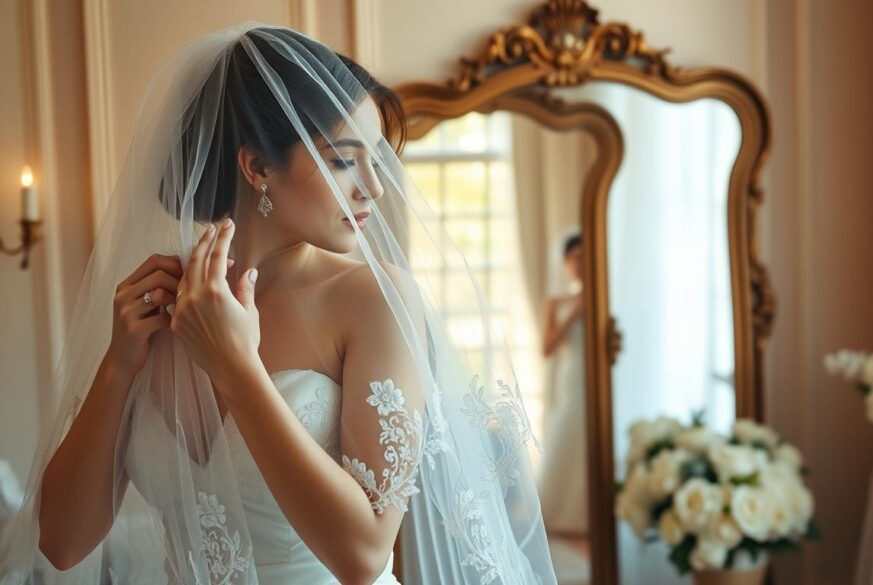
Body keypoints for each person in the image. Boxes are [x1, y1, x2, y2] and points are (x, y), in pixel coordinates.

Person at [1, 23, 555, 585]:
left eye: (375, 158)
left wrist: (236, 366)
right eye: (344, 161)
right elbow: (62, 543)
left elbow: (363, 556)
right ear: (258, 167)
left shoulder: (372, 298)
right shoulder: (161, 308)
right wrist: (118, 366)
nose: (375, 187)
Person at [538, 234, 588, 543]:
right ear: (566, 263)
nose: (582, 264)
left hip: (600, 378)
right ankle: (561, 514)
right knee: (569, 432)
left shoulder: (608, 296)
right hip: (572, 378)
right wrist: (573, 315)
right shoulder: (557, 303)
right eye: (576, 258)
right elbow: (547, 347)